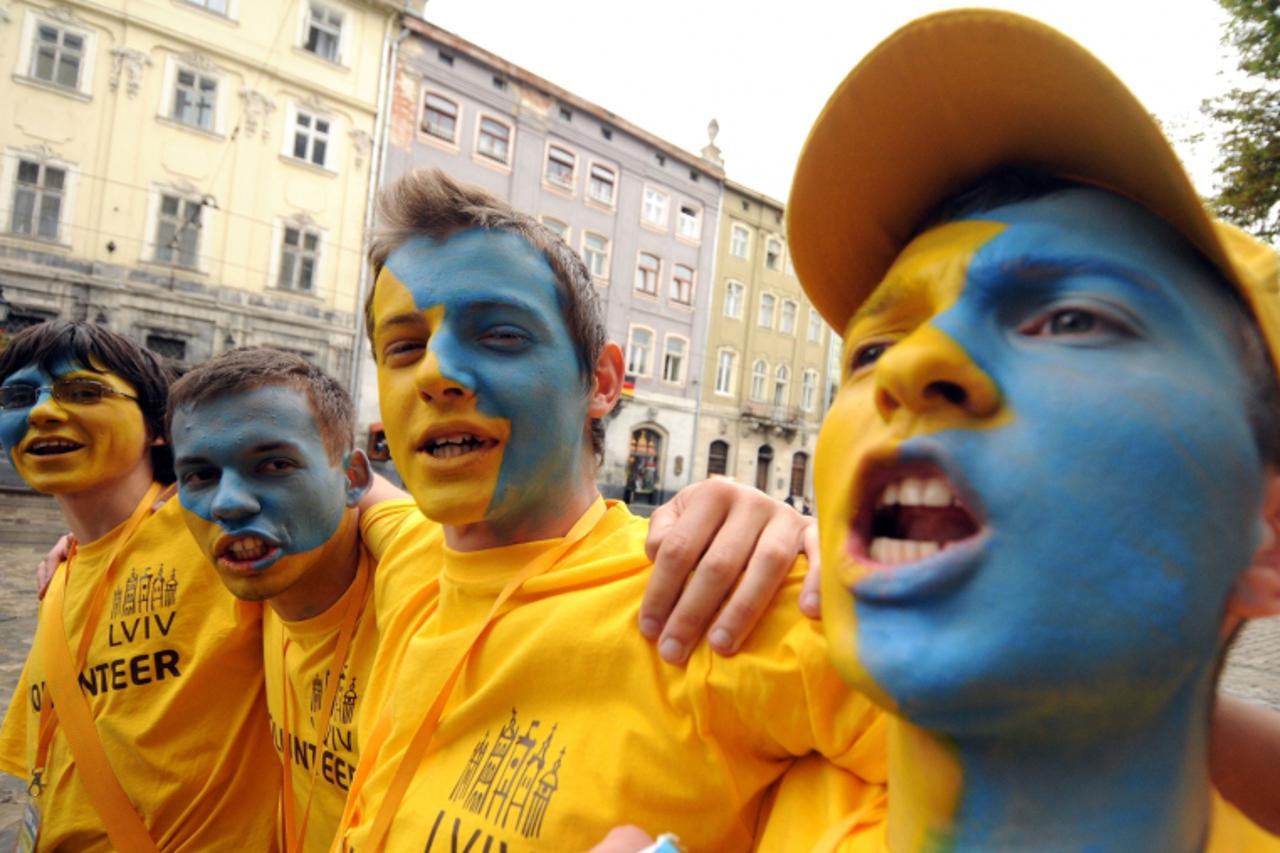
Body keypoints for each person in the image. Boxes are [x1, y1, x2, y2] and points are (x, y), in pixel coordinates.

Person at [786, 9, 1280, 849]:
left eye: (1073, 320)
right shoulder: (742, 774)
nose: (911, 367)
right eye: (873, 348)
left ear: (1266, 534)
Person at [332, 169, 887, 851]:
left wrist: (821, 542)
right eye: (405, 347)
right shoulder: (412, 568)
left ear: (601, 381)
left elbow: (1026, 770)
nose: (435, 371)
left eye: (499, 335)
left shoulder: (709, 599)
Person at [163, 347, 826, 852]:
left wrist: (804, 536)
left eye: (274, 465)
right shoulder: (225, 566)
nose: (228, 502)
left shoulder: (424, 557)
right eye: (199, 475)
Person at [0, 321, 279, 850]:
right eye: (17, 395)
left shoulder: (220, 533)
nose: (40, 411)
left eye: (83, 391)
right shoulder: (60, 572)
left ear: (158, 426)